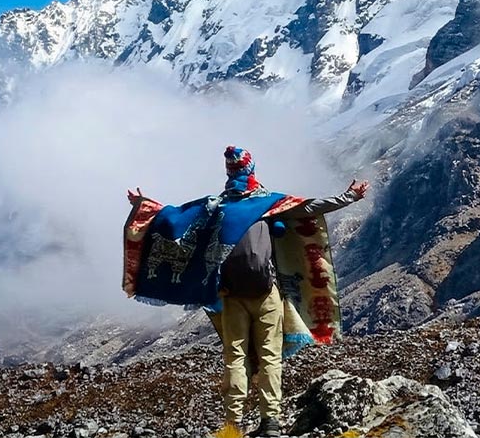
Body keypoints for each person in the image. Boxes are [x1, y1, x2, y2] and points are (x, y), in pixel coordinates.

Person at [125, 146, 368, 437]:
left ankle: (233, 425)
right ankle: (271, 424)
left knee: (235, 358)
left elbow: (173, 218)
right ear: (251, 169)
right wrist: (350, 196)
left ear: (228, 172)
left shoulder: (215, 208)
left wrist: (142, 204)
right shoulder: (266, 203)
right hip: (265, 294)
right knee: (269, 358)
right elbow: (311, 207)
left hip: (230, 297)